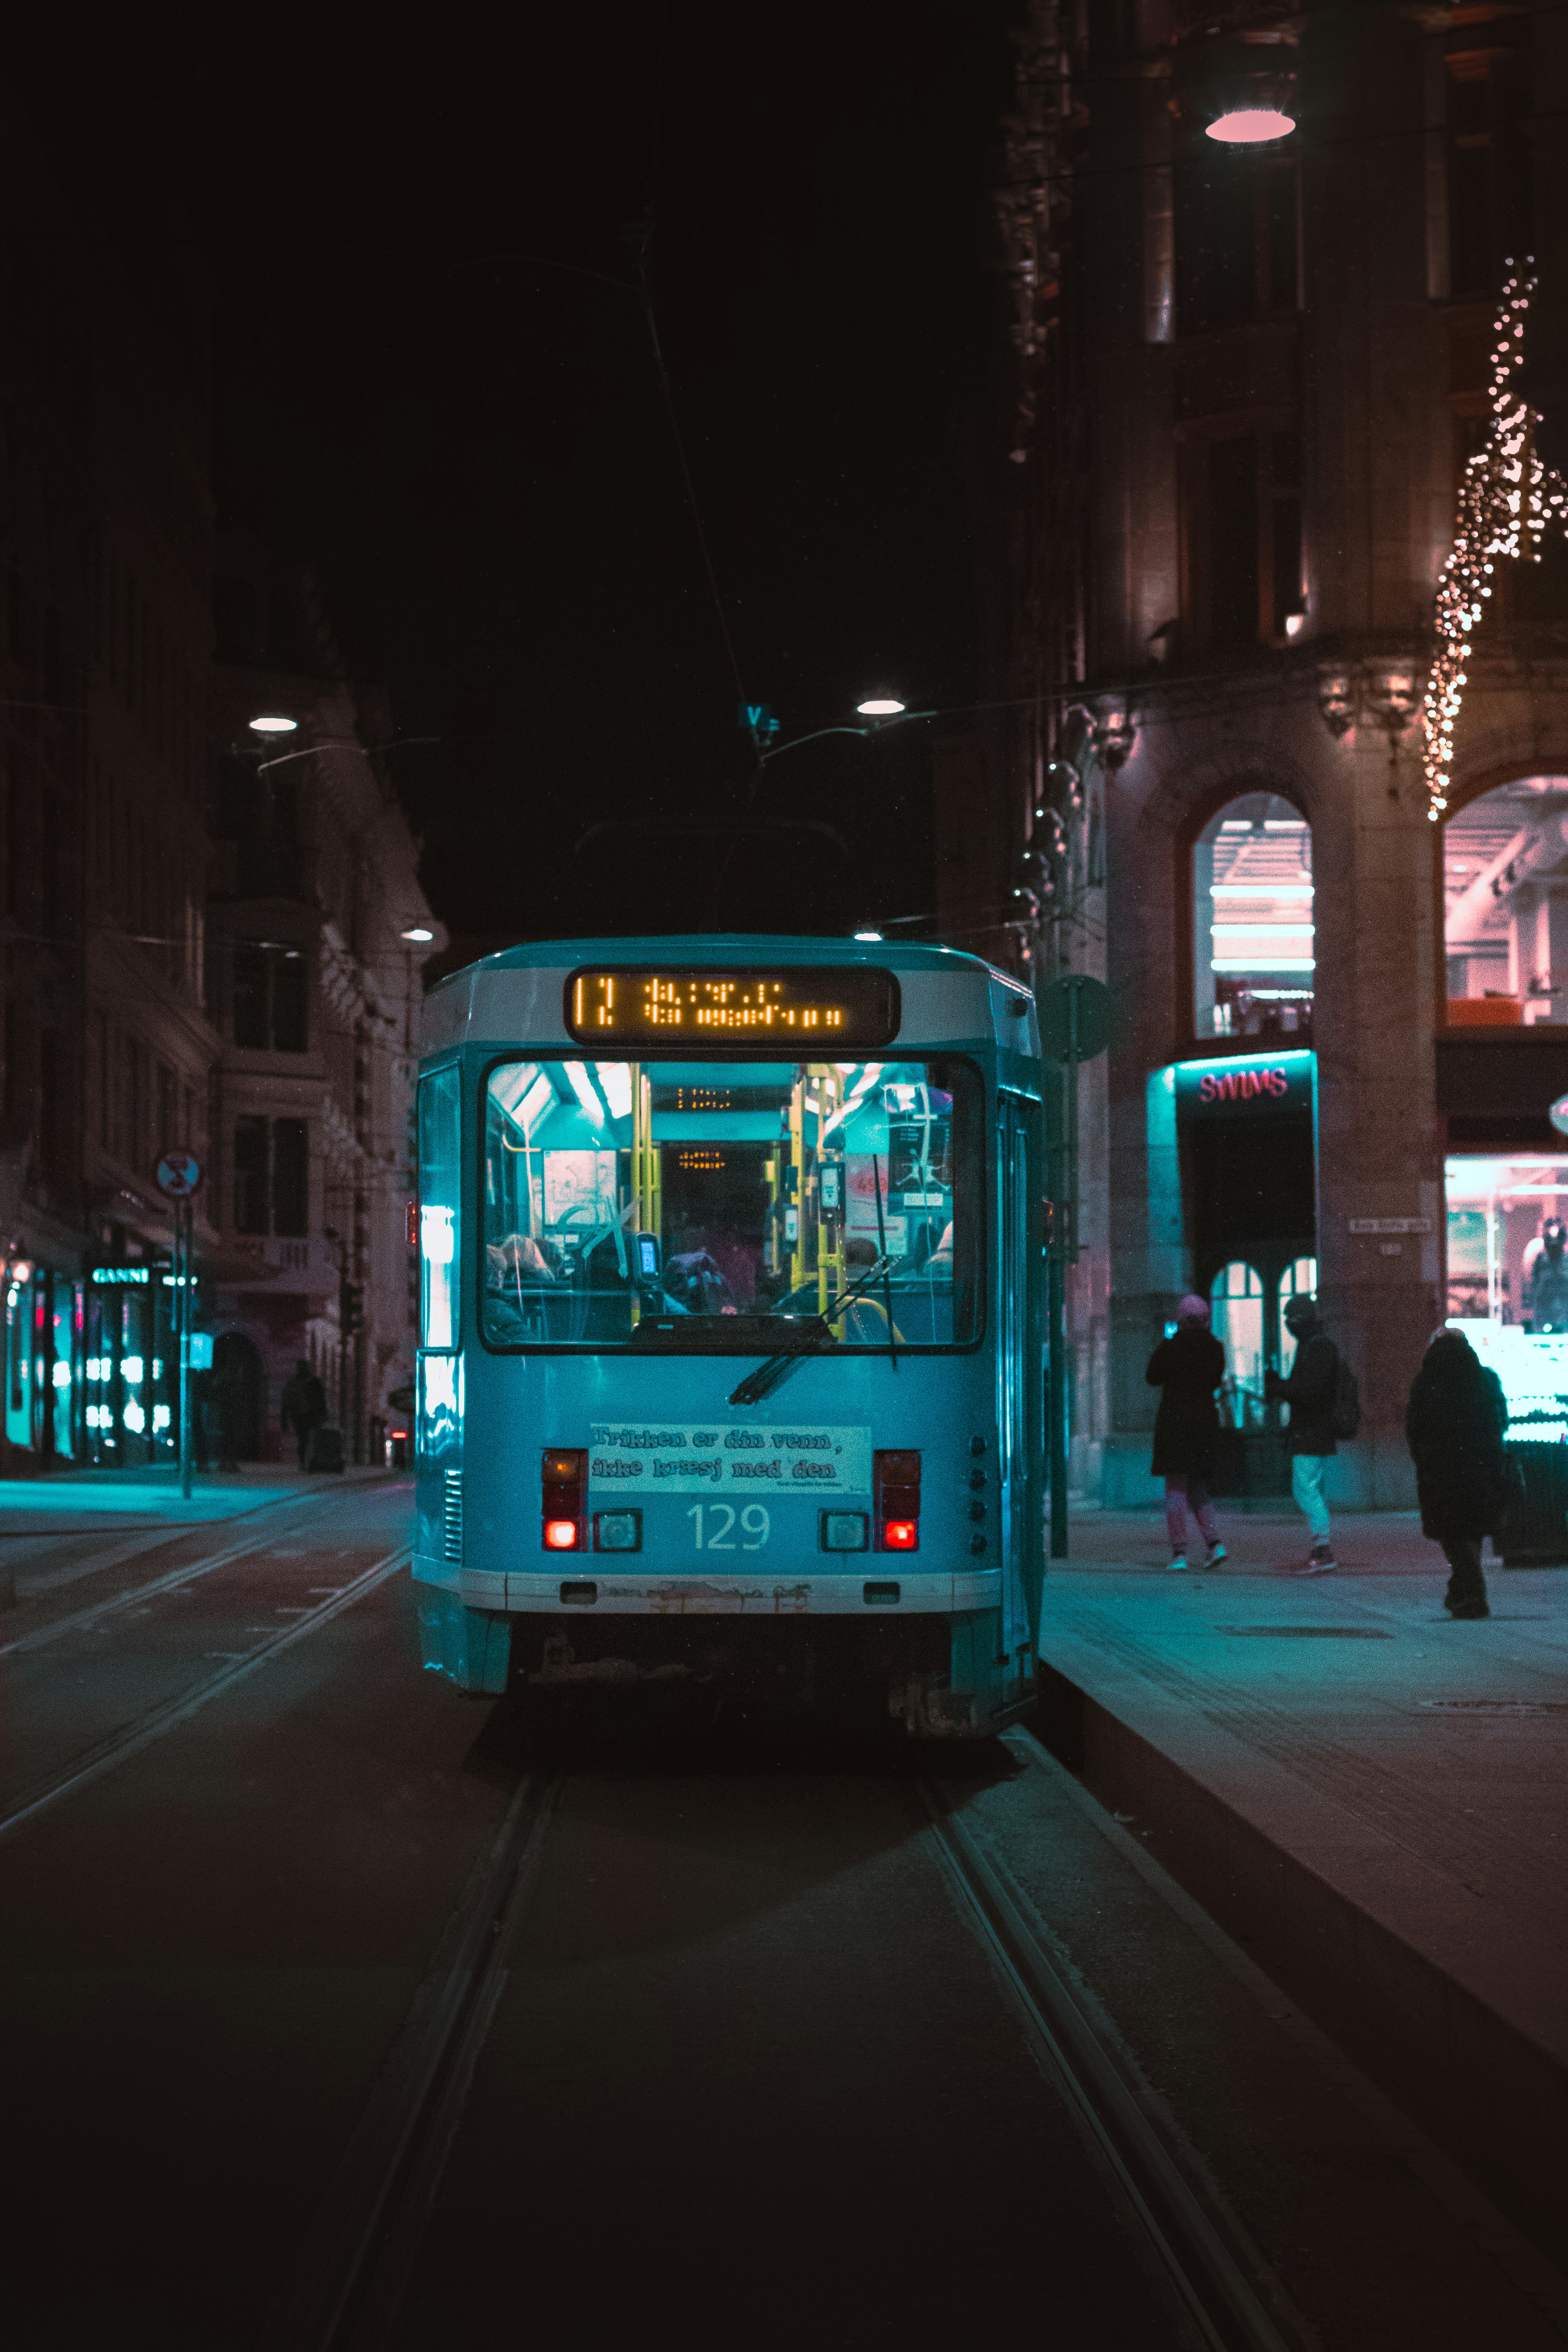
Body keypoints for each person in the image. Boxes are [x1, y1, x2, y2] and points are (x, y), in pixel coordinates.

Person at [1405, 1327, 1508, 1620]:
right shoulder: (1487, 1378)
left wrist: (1424, 1459)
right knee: (1472, 1530)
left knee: (1452, 1532)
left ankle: (1471, 1596)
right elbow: (1502, 1420)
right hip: (1481, 1468)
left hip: (1441, 1470)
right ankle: (1463, 1594)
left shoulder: (1426, 1382)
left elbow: (1414, 1427)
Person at [1145, 1295, 1229, 1572]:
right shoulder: (1215, 1348)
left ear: (1181, 1319)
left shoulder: (1171, 1347)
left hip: (1175, 1422)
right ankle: (1215, 1544)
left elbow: (1152, 1377)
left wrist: (1170, 1340)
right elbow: (1215, 1380)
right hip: (1204, 1422)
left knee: (1176, 1489)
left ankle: (1179, 1553)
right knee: (1199, 1488)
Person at [1264, 1294, 1339, 1573]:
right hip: (1313, 1428)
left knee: (1305, 1487)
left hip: (1311, 1429)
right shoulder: (1314, 1345)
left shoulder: (1316, 1348)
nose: (1287, 1326)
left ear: (1301, 1321)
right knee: (1310, 1486)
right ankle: (1321, 1546)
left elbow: (1308, 1391)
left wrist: (1279, 1388)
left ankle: (1323, 1547)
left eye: (1290, 1321)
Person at [279, 1357, 327, 1469]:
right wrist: (324, 1414)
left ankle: (303, 1463)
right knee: (311, 1440)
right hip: (312, 1417)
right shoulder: (315, 1382)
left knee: (303, 1440)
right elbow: (321, 1400)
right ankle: (310, 1462)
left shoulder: (292, 1383)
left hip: (298, 1417)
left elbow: (285, 1403)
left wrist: (284, 1421)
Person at [1523, 1218, 1568, 1333]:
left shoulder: (1565, 1254)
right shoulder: (1537, 1250)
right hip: (1544, 1294)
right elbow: (1530, 1273)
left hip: (1561, 1295)